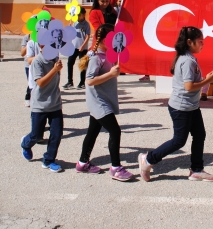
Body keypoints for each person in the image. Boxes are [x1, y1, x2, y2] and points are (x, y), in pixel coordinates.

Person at [138, 26, 213, 182]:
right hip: (182, 107)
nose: (203, 44)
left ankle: (196, 170)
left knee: (199, 135)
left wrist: (204, 80)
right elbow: (188, 87)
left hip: (191, 106)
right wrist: (207, 81)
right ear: (189, 42)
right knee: (179, 141)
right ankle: (148, 159)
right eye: (200, 42)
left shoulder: (189, 58)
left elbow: (191, 84)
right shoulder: (187, 61)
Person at [75, 24, 133, 181]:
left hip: (104, 99)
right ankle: (115, 168)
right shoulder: (95, 57)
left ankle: (82, 163)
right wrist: (111, 73)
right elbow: (90, 80)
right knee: (115, 131)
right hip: (99, 101)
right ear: (105, 40)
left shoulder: (107, 54)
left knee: (92, 132)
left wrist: (114, 69)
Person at [20, 42, 65, 173]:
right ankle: (25, 143)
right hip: (39, 105)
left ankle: (49, 160)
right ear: (41, 46)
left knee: (56, 134)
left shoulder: (55, 60)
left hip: (55, 104)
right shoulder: (37, 62)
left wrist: (56, 69)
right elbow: (40, 83)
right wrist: (54, 70)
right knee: (37, 135)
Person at [63, 7, 91, 90]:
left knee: (82, 65)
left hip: (82, 48)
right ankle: (70, 82)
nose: (78, 16)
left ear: (83, 15)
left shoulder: (86, 24)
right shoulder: (75, 23)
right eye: (77, 15)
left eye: (80, 15)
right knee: (70, 63)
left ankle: (82, 83)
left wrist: (83, 45)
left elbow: (87, 36)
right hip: (73, 47)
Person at [21, 33, 32, 106]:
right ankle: (27, 97)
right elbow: (22, 53)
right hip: (29, 64)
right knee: (31, 82)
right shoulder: (26, 37)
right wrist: (29, 42)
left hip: (40, 63)